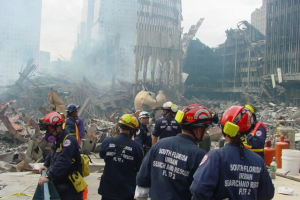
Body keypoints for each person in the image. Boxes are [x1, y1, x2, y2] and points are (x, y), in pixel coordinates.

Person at [135, 104, 218, 200]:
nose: (206, 133)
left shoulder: (159, 145)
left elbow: (142, 181)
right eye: (206, 128)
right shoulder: (200, 156)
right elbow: (202, 191)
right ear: (199, 130)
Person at [190, 105, 274, 200]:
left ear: (223, 128)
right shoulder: (258, 161)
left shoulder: (215, 157)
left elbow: (198, 189)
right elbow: (267, 194)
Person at [38, 111, 83, 200]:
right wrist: (46, 165)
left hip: (70, 188)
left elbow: (63, 161)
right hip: (61, 184)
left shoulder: (69, 141)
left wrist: (49, 176)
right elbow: (53, 152)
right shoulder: (59, 139)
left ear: (58, 128)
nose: (48, 133)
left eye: (50, 129)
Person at [98, 114, 144, 200]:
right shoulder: (136, 146)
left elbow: (102, 155)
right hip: (126, 191)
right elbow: (139, 168)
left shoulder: (107, 141)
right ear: (132, 130)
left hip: (107, 189)